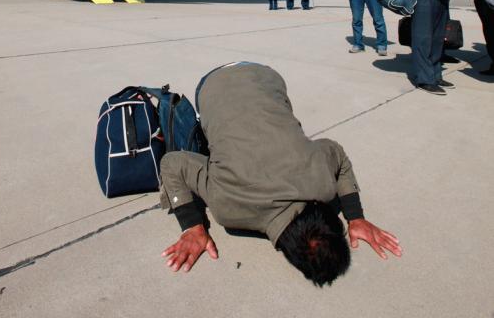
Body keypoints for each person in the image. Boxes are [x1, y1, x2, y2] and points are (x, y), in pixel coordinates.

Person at [160, 63, 401, 283]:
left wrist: (354, 216)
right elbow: (172, 163)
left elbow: (335, 152)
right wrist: (193, 227)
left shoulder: (322, 180)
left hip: (264, 76)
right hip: (213, 85)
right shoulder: (227, 208)